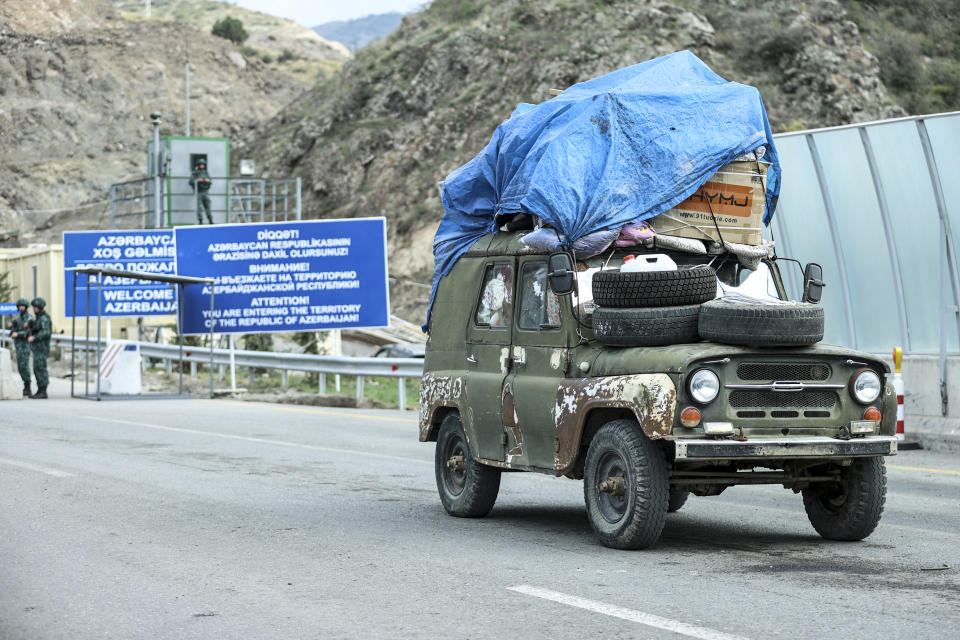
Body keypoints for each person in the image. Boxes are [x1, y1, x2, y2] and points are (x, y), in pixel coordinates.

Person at [6, 297, 33, 397]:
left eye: (23, 306)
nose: (21, 308)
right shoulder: (19, 318)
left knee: (24, 366)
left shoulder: (28, 318)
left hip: (24, 345)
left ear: (26, 307)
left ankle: (28, 387)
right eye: (20, 306)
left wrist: (18, 334)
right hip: (18, 345)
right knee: (20, 366)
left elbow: (28, 331)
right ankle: (25, 387)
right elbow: (15, 325)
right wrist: (12, 325)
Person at [27, 297, 51, 399]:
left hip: (42, 348)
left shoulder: (44, 318)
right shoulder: (39, 318)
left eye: (35, 307)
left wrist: (34, 337)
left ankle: (43, 391)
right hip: (37, 348)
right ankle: (40, 390)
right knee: (37, 368)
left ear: (40, 307)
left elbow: (46, 332)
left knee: (40, 368)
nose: (34, 309)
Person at [189, 159, 213, 224]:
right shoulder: (195, 173)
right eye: (200, 164)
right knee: (199, 207)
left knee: (208, 206)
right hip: (199, 191)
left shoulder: (206, 173)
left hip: (205, 191)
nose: (202, 166)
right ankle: (200, 220)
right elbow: (190, 181)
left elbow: (210, 181)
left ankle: (210, 219)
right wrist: (197, 180)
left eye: (203, 164)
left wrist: (207, 181)